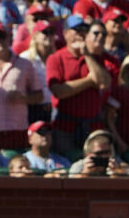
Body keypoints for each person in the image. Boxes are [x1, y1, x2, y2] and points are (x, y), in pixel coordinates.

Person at [46, 15, 112, 156]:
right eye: (76, 30)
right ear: (65, 33)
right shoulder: (56, 58)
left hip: (92, 125)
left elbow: (104, 83)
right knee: (68, 164)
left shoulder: (95, 56)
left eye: (83, 30)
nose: (80, 33)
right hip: (66, 126)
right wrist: (89, 81)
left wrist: (87, 55)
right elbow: (59, 91)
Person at [0, 22, 43, 149]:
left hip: (17, 129)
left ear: (9, 38)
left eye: (2, 36)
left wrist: (23, 98)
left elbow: (39, 95)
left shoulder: (25, 64)